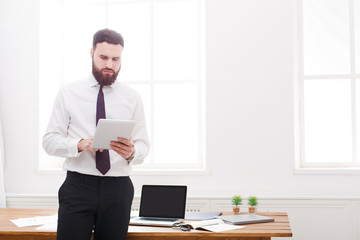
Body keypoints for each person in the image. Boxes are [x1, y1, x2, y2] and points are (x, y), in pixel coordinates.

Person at [43, 28, 150, 240]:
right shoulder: (69, 93)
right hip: (78, 187)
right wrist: (80, 144)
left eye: (115, 59)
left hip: (118, 188)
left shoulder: (132, 97)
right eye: (103, 57)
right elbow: (49, 141)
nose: (109, 65)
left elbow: (144, 145)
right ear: (91, 53)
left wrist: (131, 152)